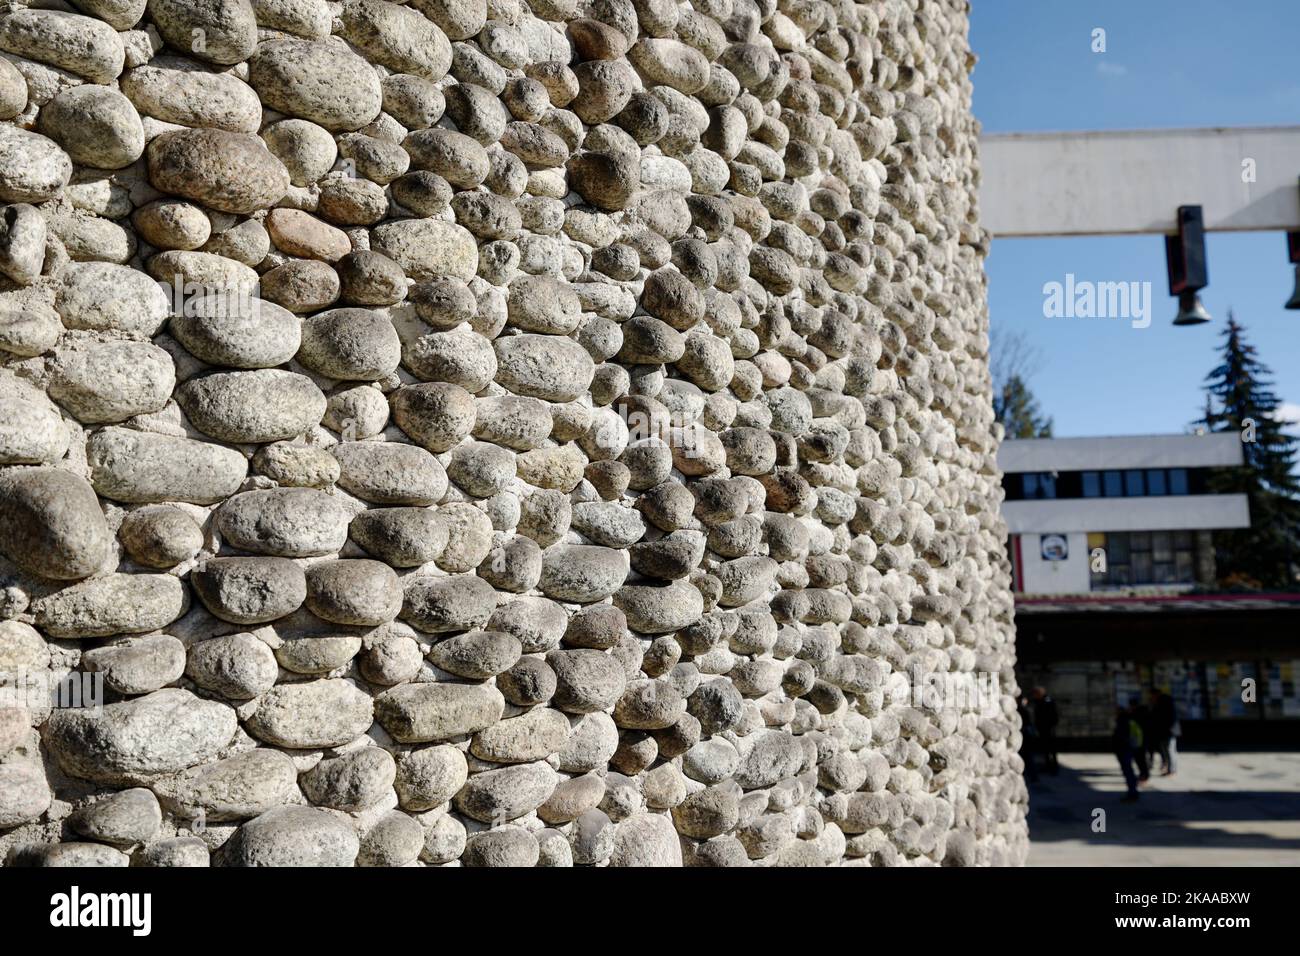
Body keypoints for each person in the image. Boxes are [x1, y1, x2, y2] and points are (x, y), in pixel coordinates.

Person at [1112, 704, 1141, 802]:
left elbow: (1121, 737)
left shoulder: (1122, 721)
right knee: (1129, 772)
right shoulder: (1128, 720)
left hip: (1124, 750)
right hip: (1128, 749)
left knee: (1128, 772)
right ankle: (1133, 792)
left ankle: (1132, 793)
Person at [1030, 686, 1059, 774]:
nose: (1034, 696)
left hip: (1048, 728)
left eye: (1035, 694)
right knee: (1046, 749)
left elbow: (1052, 715)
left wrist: (1051, 725)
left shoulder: (1047, 701)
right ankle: (1048, 766)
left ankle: (1053, 767)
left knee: (1050, 749)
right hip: (1043, 728)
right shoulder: (1040, 701)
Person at [1152, 690, 1179, 775]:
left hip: (1168, 731)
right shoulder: (1162, 704)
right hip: (1164, 731)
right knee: (1165, 750)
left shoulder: (1165, 705)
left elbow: (1169, 720)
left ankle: (1171, 769)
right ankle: (1168, 767)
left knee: (1170, 750)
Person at [1017, 694, 1039, 782]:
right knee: (1029, 757)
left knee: (1028, 757)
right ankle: (1032, 776)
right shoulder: (1027, 709)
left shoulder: (1024, 709)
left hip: (1026, 736)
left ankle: (1033, 776)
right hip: (1027, 736)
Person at [1132, 699, 1151, 783]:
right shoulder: (1144, 714)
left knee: (1141, 759)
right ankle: (1144, 775)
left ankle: (1144, 775)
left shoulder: (1137, 715)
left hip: (1140, 741)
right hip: (1143, 740)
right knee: (1142, 759)